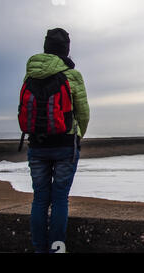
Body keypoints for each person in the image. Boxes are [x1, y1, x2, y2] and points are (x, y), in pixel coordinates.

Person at [23, 28, 90, 253]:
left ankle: (39, 250)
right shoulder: (72, 75)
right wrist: (78, 134)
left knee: (40, 199)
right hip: (65, 144)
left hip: (37, 144)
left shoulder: (30, 73)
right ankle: (57, 250)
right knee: (60, 199)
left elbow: (23, 108)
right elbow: (83, 113)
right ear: (66, 49)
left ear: (45, 48)